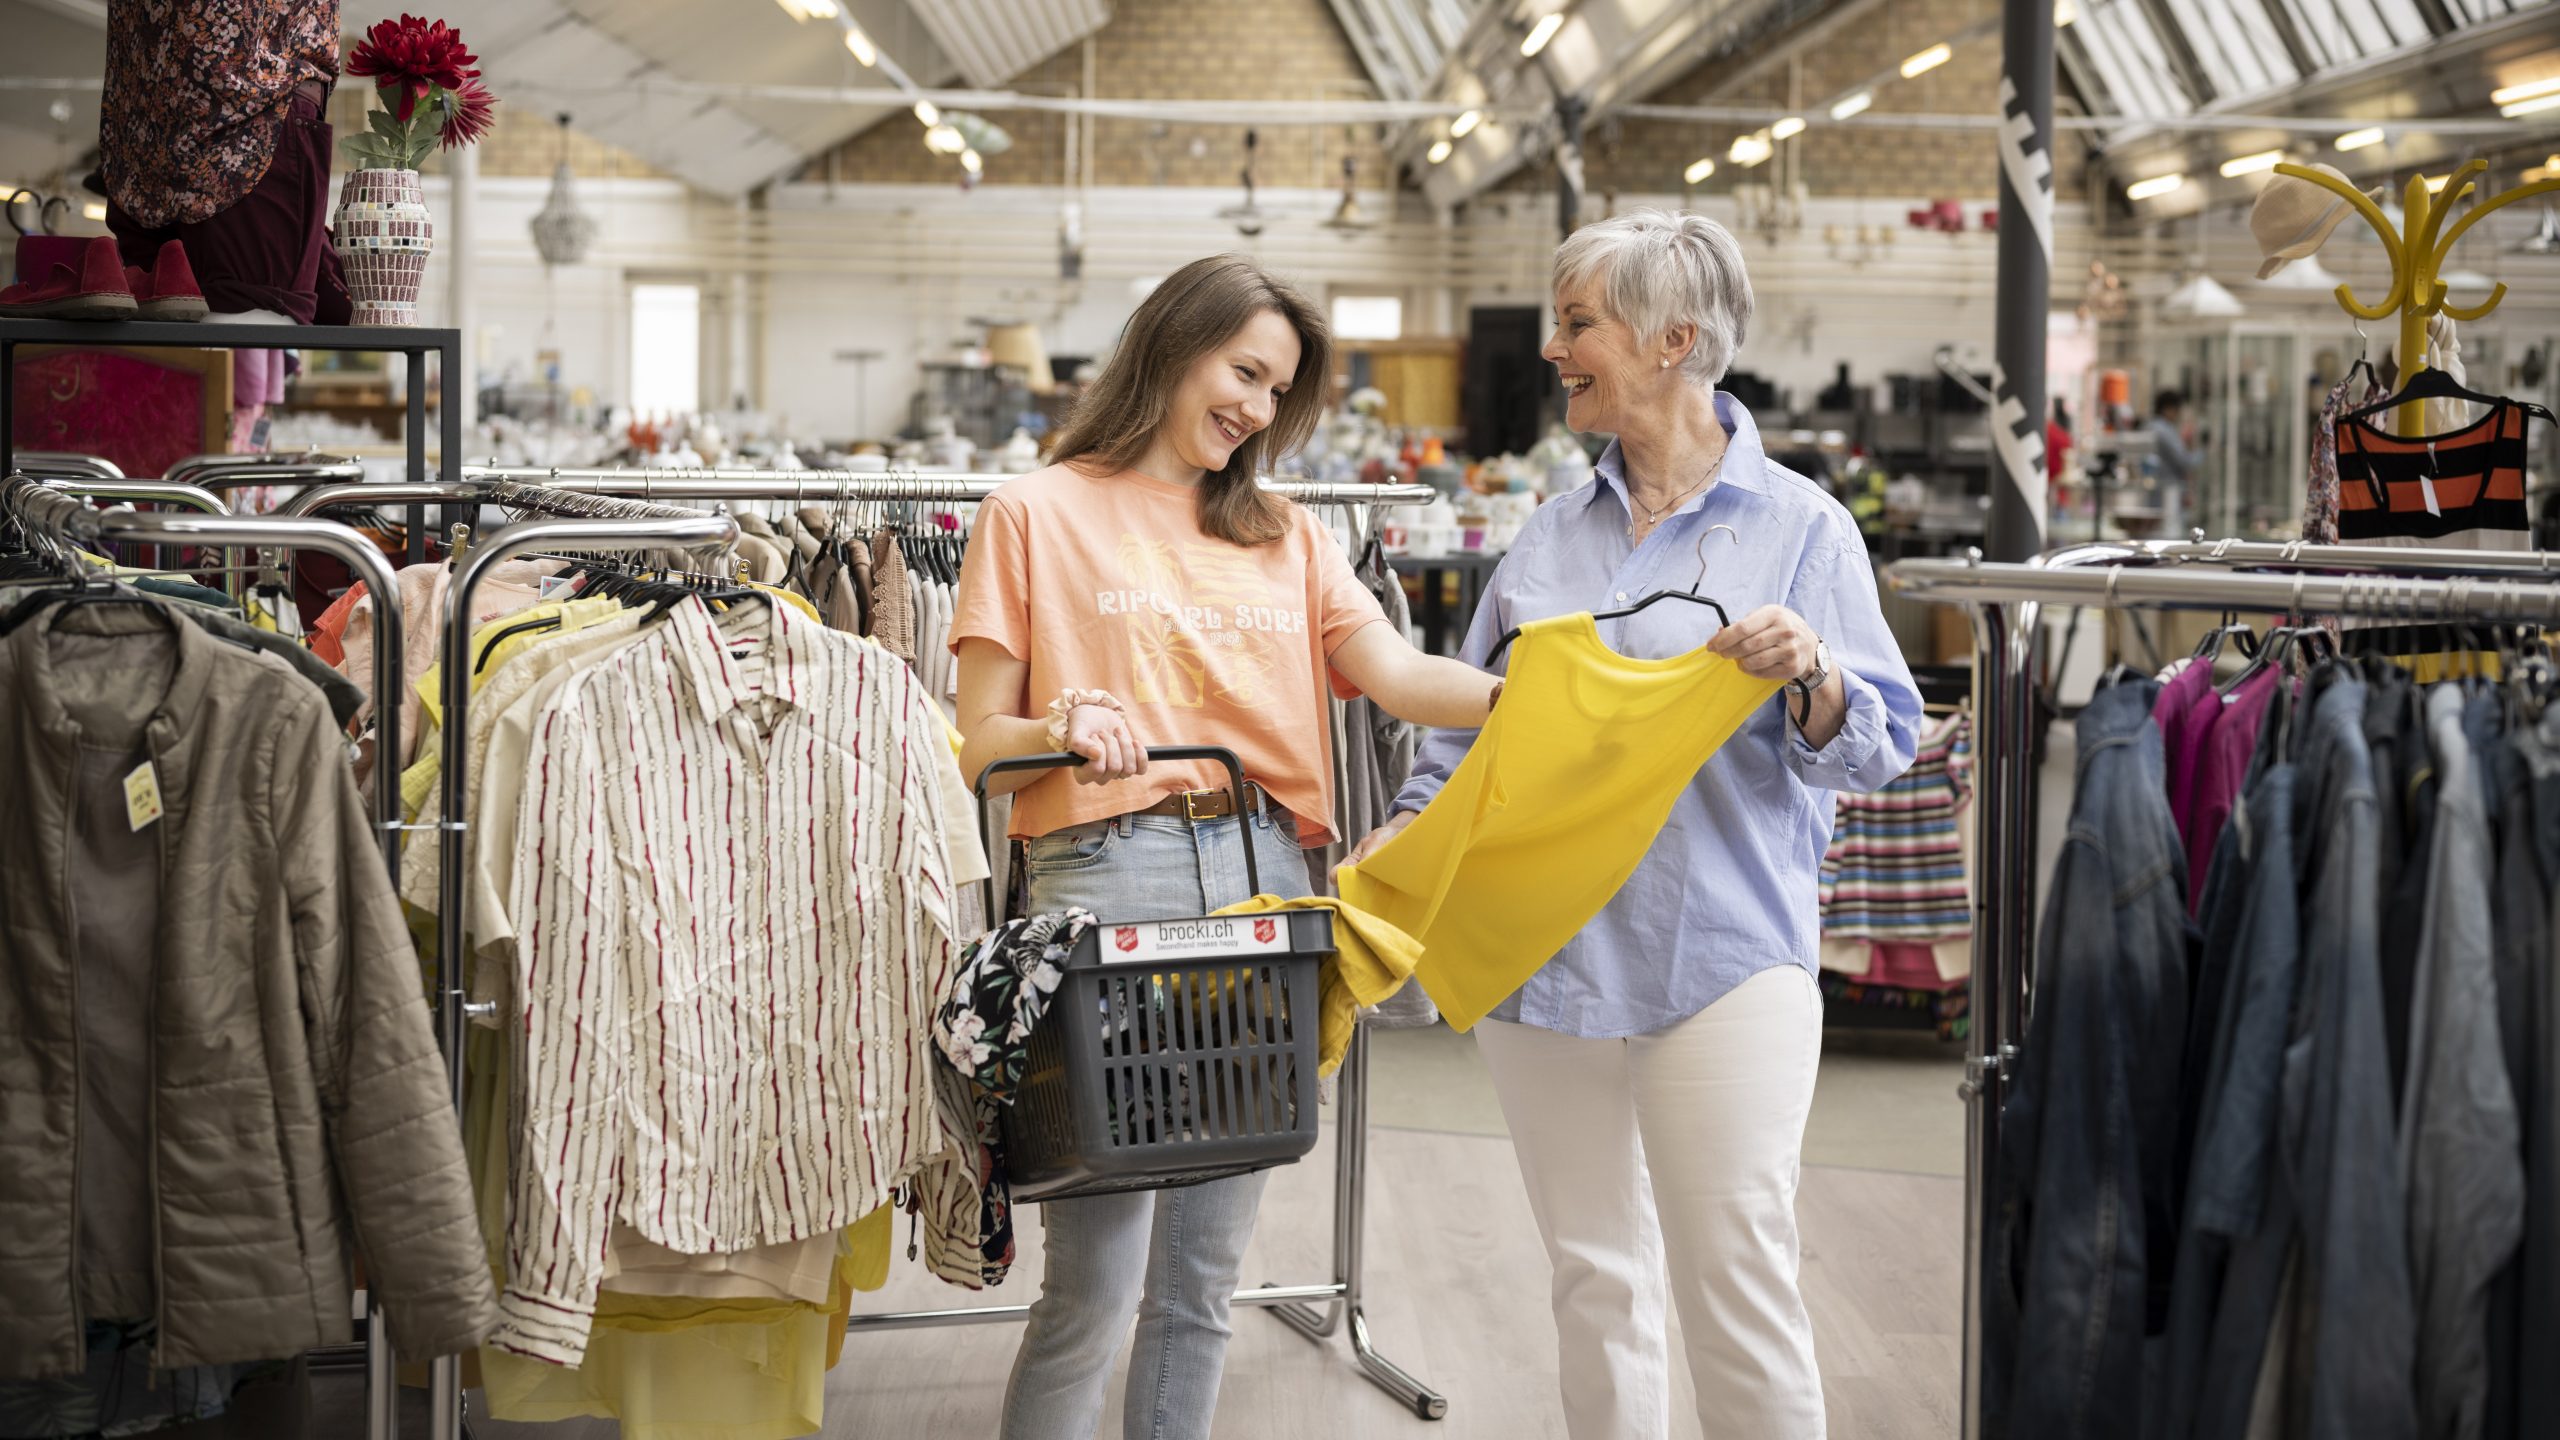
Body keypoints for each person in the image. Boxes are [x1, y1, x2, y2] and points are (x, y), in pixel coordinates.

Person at [1347, 210, 1922, 1439]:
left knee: (1738, 1276)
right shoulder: (1550, 536)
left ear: (1672, 340)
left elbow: (1884, 744)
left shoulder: (1802, 529)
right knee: (1592, 1280)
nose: (1555, 351)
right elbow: (1463, 733)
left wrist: (1811, 673)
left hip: (1723, 955)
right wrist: (1401, 841)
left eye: (1576, 324)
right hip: (1542, 961)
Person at [951, 253, 1502, 1440]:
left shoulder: (1290, 537)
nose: (1256, 408)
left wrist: (1545, 694)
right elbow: (974, 752)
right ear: (1171, 345)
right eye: (1244, 371)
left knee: (1202, 1288)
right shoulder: (1032, 513)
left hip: (1267, 887)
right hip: (1106, 884)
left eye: (1276, 391)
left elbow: (1400, 677)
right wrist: (1054, 731)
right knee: (1090, 1288)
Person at [2149, 389, 2199, 534]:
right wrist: (2201, 453)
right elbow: (2183, 461)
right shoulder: (2163, 430)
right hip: (2167, 490)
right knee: (2167, 531)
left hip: (2159, 491)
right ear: (2168, 409)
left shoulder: (2153, 427)